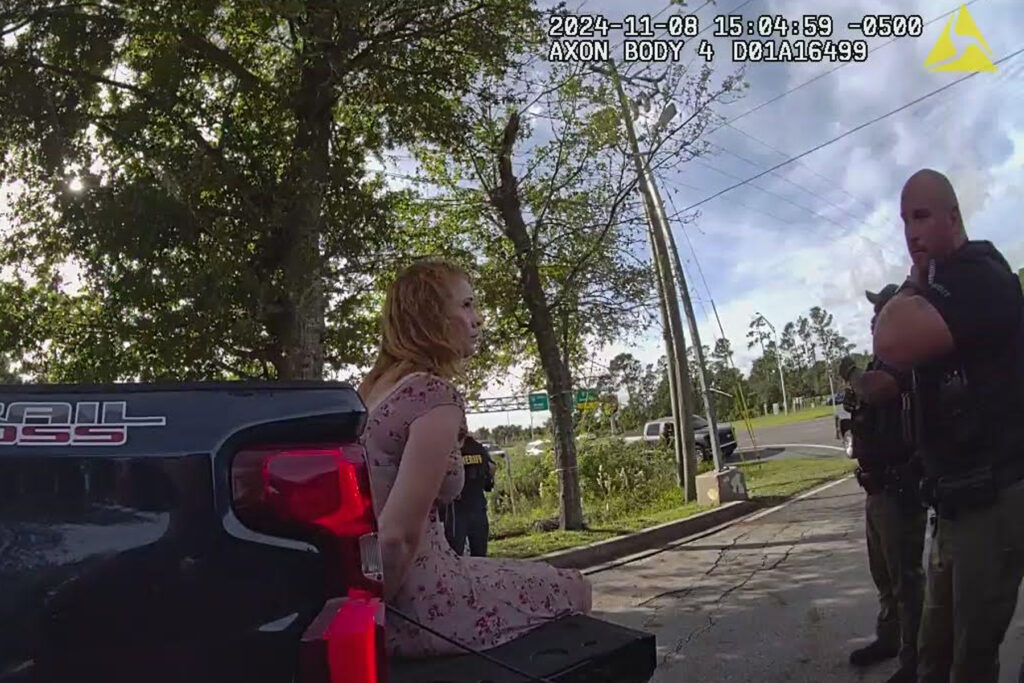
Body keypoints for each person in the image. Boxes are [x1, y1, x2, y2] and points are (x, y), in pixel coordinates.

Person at [357, 257, 592, 658]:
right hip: (419, 603)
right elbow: (396, 538)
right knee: (575, 586)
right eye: (466, 306)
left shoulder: (369, 393)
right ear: (431, 316)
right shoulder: (433, 396)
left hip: (369, 585)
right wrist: (367, 631)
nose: (479, 319)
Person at [873, 169, 1024, 683]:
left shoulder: (976, 274)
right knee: (933, 651)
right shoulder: (942, 283)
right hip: (955, 500)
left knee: (970, 658)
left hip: (994, 496)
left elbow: (889, 339)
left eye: (921, 216)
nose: (910, 232)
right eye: (904, 221)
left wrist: (914, 281)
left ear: (953, 217)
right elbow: (890, 373)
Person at [838, 284, 926, 683]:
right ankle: (889, 638)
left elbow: (876, 390)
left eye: (881, 311)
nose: (875, 318)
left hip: (899, 487)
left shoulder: (904, 356)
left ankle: (916, 658)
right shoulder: (883, 358)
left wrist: (852, 373)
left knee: (905, 578)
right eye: (874, 312)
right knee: (885, 577)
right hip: (876, 488)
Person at [442, 435, 496, 557]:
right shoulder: (478, 447)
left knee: (455, 554)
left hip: (459, 509)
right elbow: (491, 470)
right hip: (474, 506)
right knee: (478, 554)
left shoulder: (449, 449)